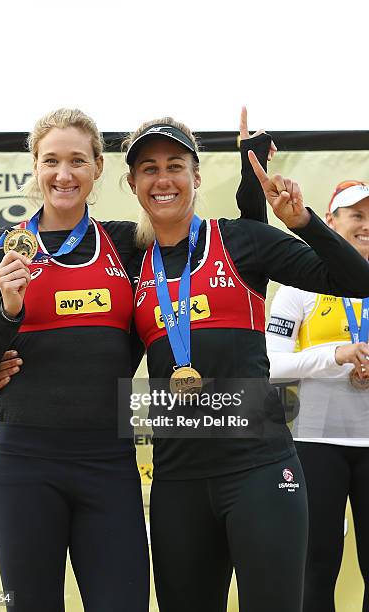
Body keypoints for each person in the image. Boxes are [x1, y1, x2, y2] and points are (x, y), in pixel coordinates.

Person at [120, 118, 369, 612]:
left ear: (195, 176)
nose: (162, 179)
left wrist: (303, 222)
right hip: (177, 479)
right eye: (149, 169)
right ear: (132, 184)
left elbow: (356, 279)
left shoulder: (240, 241)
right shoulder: (129, 258)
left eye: (175, 166)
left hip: (258, 470)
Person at [0, 108, 150, 612]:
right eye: (52, 160)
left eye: (78, 160)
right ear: (34, 166)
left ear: (99, 167)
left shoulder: (127, 244)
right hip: (25, 463)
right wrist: (7, 312)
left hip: (109, 461)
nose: (64, 174)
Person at [266, 180, 369, 612]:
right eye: (357, 216)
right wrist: (335, 355)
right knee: (316, 567)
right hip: (314, 444)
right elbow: (268, 366)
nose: (367, 226)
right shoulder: (300, 285)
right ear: (331, 222)